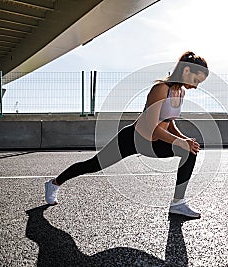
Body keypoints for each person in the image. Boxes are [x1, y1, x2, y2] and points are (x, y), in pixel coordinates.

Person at [45, 51, 208, 218]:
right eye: (196, 80)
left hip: (155, 143)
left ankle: (177, 203)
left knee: (190, 152)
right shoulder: (160, 89)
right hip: (133, 139)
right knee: (93, 165)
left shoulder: (180, 92)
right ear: (186, 70)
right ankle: (54, 183)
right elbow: (152, 127)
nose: (195, 86)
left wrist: (184, 140)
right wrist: (180, 142)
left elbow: (169, 121)